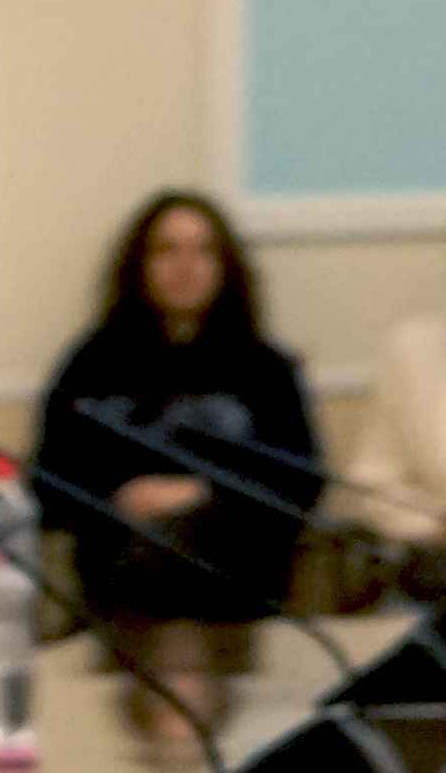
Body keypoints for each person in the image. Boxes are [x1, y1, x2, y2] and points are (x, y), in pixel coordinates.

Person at [36, 187, 325, 737]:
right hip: (115, 607)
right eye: (166, 250)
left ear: (226, 266)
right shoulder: (90, 366)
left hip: (240, 604)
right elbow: (48, 483)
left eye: (203, 250)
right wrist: (120, 497)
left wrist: (203, 495)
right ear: (138, 265)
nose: (185, 266)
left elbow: (300, 482)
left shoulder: (266, 370)